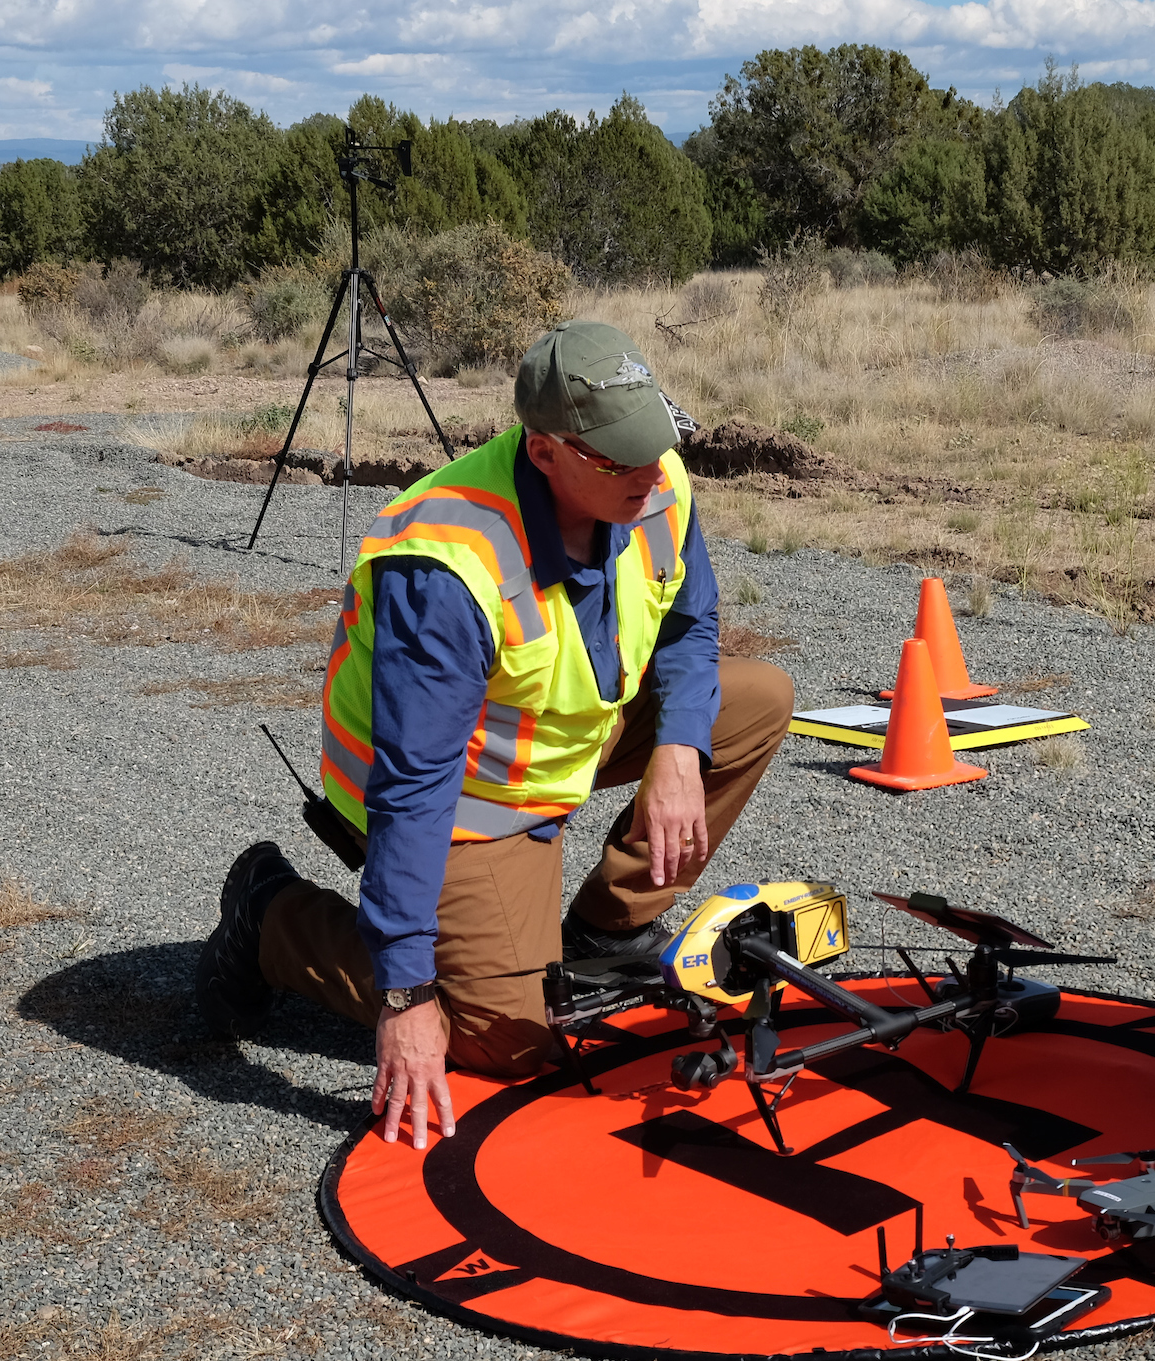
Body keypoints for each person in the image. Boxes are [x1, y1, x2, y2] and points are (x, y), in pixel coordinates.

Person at [195, 320, 794, 1150]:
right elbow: (414, 787)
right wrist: (405, 997)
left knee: (755, 698)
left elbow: (690, 627)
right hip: (462, 800)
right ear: (544, 452)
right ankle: (270, 915)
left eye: (658, 443)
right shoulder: (448, 565)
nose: (654, 473)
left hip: (559, 742)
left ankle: (604, 929)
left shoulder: (652, 480)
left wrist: (678, 751)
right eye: (620, 457)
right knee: (503, 1042)